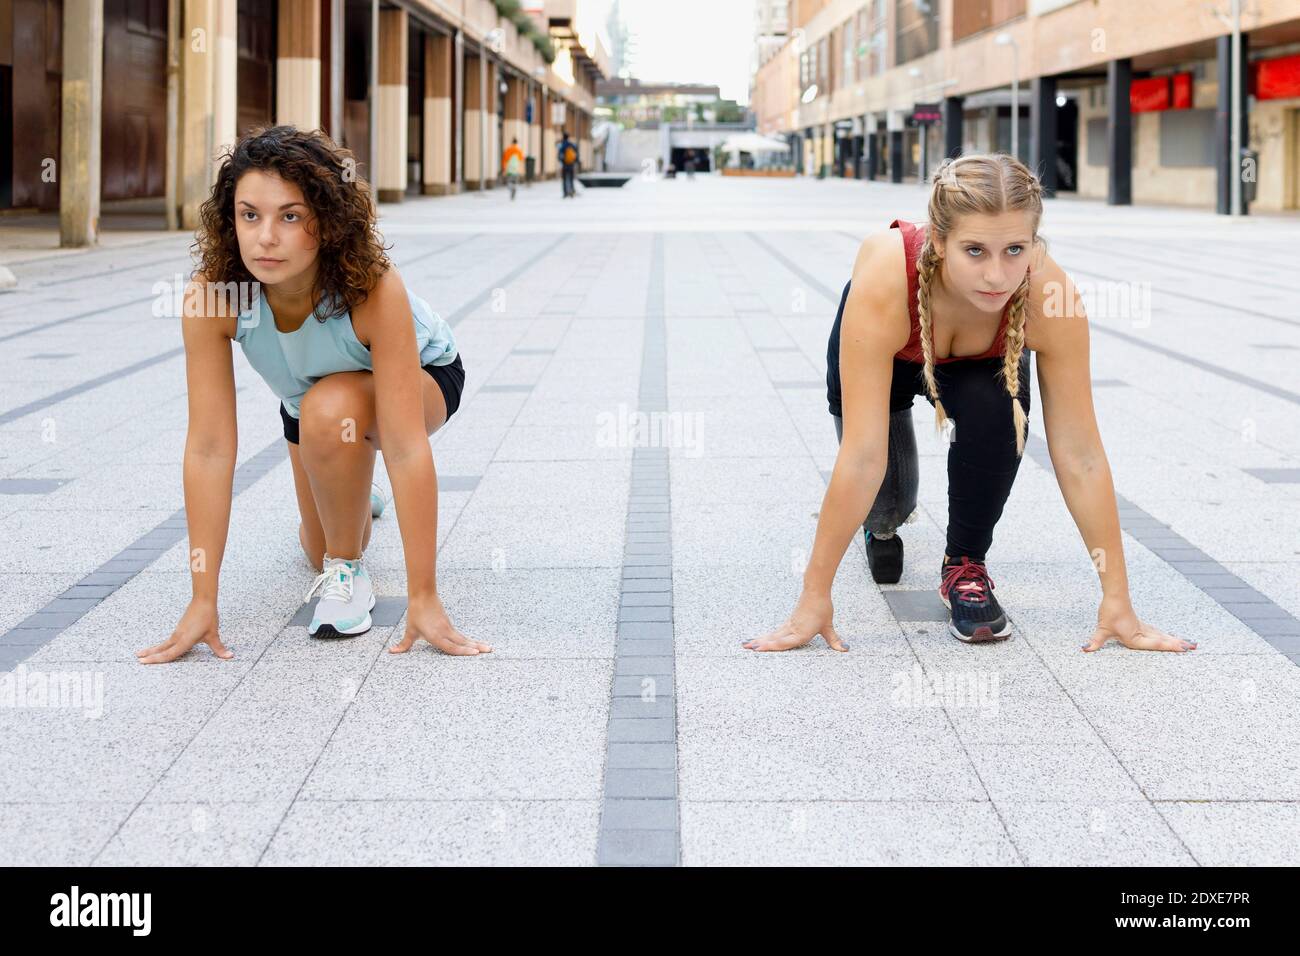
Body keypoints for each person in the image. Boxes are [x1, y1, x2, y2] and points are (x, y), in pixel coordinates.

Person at [745, 152, 1193, 654]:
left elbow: (1081, 455)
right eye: (975, 250)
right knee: (886, 503)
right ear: (940, 240)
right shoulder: (885, 275)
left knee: (1001, 413)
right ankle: (883, 528)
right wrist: (813, 598)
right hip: (893, 349)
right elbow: (863, 454)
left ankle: (964, 565)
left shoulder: (1050, 296)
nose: (997, 276)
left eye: (1015, 249)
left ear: (1034, 244)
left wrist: (1119, 602)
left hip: (978, 368)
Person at [138, 125, 491, 663]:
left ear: (325, 222)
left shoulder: (371, 287)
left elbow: (403, 444)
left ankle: (348, 573)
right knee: (312, 545)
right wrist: (201, 599)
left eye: (290, 215)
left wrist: (424, 596)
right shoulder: (213, 296)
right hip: (308, 406)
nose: (265, 237)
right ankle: (354, 487)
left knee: (333, 423)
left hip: (423, 378)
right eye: (249, 214)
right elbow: (209, 447)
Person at [557, 129, 578, 198]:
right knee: (571, 179)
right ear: (568, 137)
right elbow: (576, 154)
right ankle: (571, 191)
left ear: (563, 137)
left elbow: (560, 155)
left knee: (564, 179)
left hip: (565, 165)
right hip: (571, 165)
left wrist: (561, 161)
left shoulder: (562, 145)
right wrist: (574, 161)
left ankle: (565, 193)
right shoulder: (572, 145)